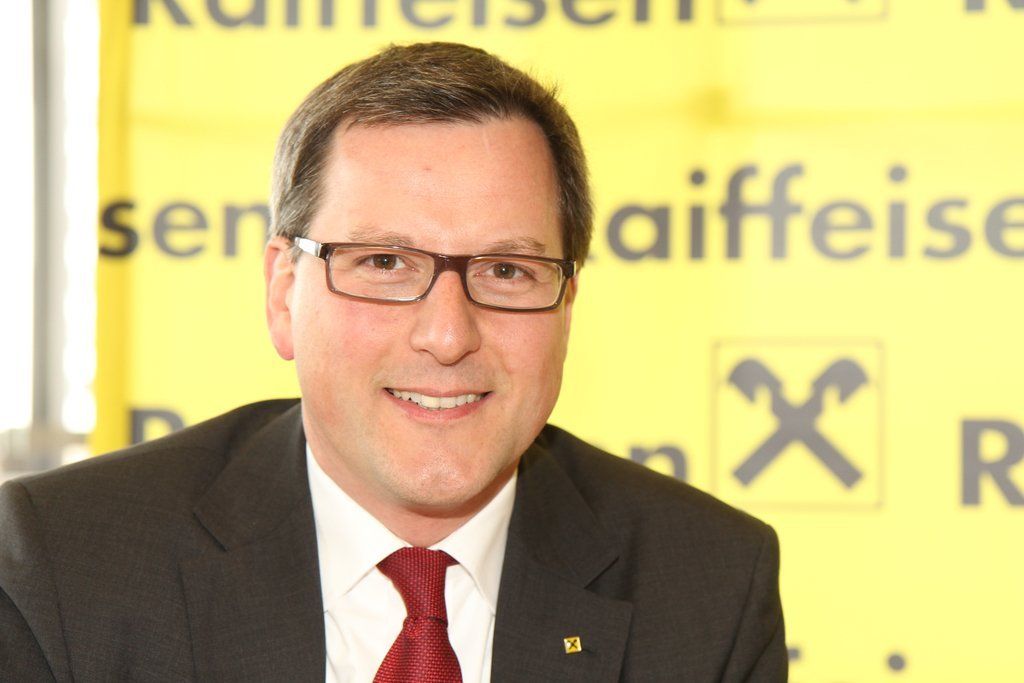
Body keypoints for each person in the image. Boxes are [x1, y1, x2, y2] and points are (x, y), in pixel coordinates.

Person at [0, 42, 786, 682]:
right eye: (383, 263)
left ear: (567, 305)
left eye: (506, 270)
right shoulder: (65, 566)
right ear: (284, 292)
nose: (447, 335)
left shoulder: (706, 586)